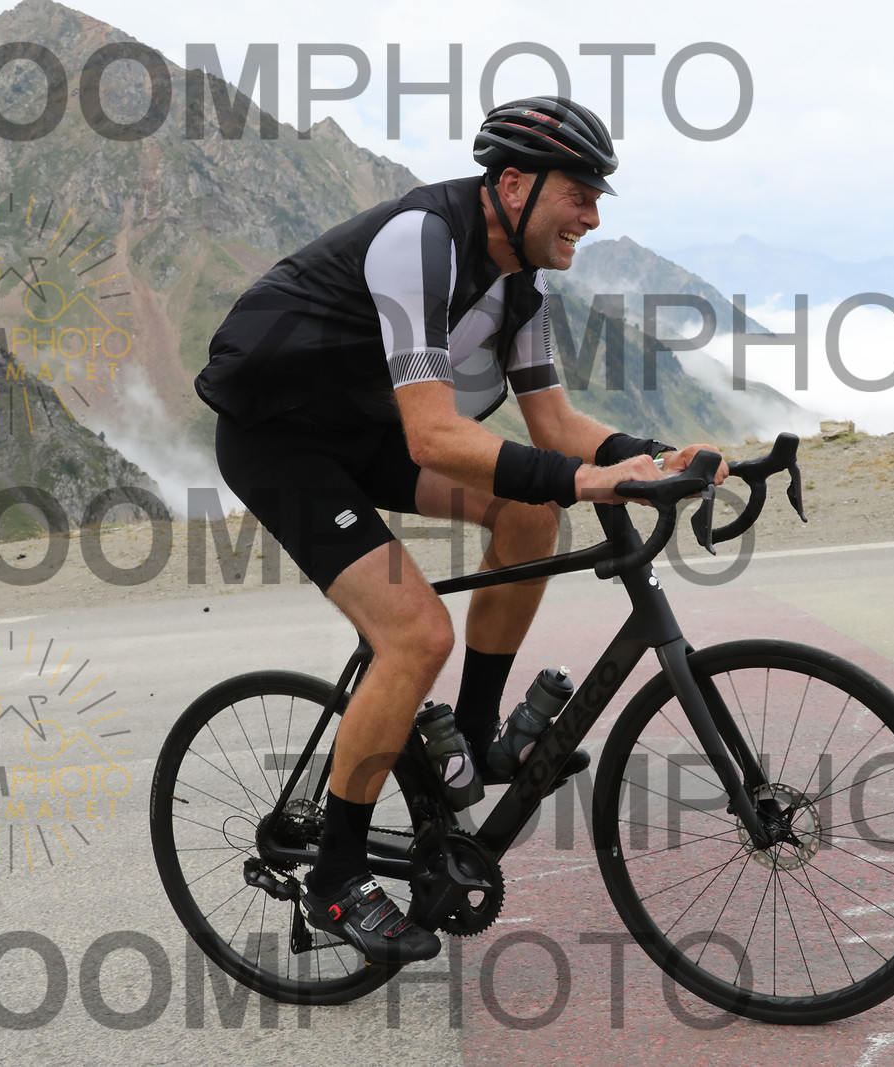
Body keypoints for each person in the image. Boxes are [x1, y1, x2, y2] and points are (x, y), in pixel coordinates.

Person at [194, 96, 726, 966]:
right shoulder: (421, 242)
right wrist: (586, 478)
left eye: (597, 198)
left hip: (359, 433)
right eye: (580, 194)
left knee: (531, 508)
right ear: (514, 185)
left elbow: (556, 427)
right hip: (278, 441)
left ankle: (474, 740)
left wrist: (660, 457)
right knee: (416, 632)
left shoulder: (519, 288)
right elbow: (435, 437)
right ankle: (335, 875)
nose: (592, 216)